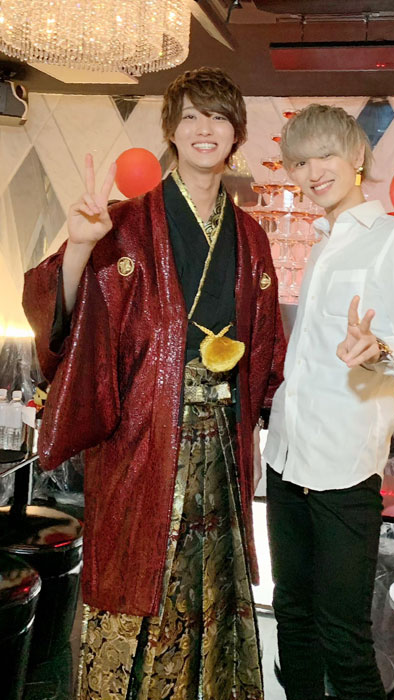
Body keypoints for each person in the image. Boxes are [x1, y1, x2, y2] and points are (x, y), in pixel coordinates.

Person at [23, 67, 285, 700]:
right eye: (190, 116)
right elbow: (67, 323)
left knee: (211, 577)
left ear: (236, 133)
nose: (204, 129)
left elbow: (266, 346)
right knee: (137, 572)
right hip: (142, 435)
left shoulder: (251, 236)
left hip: (221, 440)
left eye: (218, 117)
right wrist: (79, 249)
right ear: (171, 130)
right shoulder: (124, 222)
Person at [263, 104, 394, 700]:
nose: (312, 173)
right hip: (286, 459)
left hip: (342, 471)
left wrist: (377, 349)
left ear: (357, 155)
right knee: (292, 614)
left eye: (325, 155)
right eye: (299, 163)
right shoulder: (321, 243)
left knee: (343, 636)